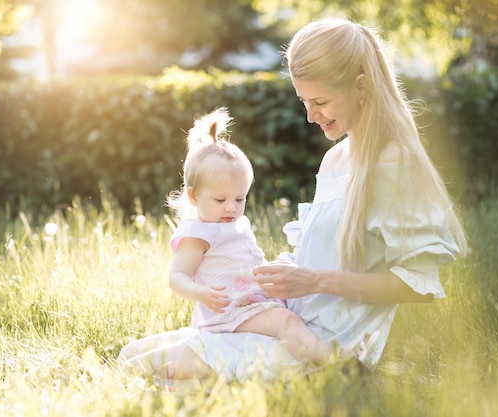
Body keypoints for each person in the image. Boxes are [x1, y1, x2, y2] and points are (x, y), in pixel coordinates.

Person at [118, 17, 467, 382]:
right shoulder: (335, 159)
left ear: (361, 87)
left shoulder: (393, 162)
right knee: (131, 355)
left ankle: (343, 379)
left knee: (145, 369)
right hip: (284, 323)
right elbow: (311, 259)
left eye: (321, 101)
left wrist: (314, 281)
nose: (310, 116)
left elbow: (417, 285)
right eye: (304, 101)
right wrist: (264, 280)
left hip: (326, 346)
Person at [127, 107, 362, 373]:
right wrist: (199, 293)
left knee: (290, 318)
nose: (231, 208)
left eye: (240, 199)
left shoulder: (231, 222)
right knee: (286, 322)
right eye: (221, 200)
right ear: (194, 197)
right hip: (230, 311)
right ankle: (335, 363)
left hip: (250, 302)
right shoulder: (199, 234)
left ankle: (322, 357)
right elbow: (177, 276)